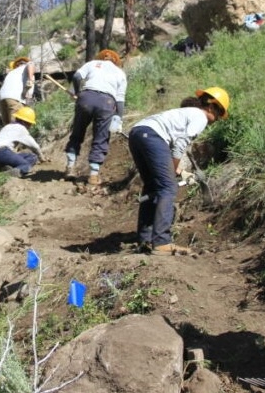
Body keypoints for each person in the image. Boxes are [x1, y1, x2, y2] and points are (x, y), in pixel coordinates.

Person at [128, 87, 229, 256]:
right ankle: (161, 242)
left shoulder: (186, 113)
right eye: (219, 114)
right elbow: (181, 143)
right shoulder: (200, 117)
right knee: (168, 187)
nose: (217, 120)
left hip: (138, 133)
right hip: (152, 136)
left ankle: (145, 240)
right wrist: (174, 168)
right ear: (212, 107)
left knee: (152, 187)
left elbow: (169, 144)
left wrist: (179, 170)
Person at [64, 49, 127, 185]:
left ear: (102, 57)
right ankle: (93, 175)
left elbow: (76, 77)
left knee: (77, 132)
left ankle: (70, 166)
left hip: (86, 98)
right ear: (116, 61)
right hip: (107, 102)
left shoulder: (92, 64)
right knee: (101, 137)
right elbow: (120, 100)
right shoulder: (120, 73)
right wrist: (118, 118)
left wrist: (77, 91)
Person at [0, 107, 48, 178]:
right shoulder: (21, 128)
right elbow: (35, 146)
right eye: (30, 124)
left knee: (32, 156)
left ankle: (5, 167)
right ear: (25, 122)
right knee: (26, 165)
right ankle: (8, 174)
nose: (30, 126)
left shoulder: (8, 126)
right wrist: (42, 158)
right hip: (4, 152)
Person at [0, 56, 36, 125]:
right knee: (16, 125)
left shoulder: (11, 73)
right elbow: (31, 64)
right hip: (14, 98)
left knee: (7, 126)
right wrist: (30, 79)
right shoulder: (25, 67)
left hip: (2, 99)